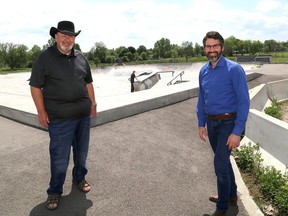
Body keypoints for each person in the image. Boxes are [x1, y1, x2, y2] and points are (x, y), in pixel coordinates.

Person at [29, 20, 97, 210]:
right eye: (64, 35)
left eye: (71, 35)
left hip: (83, 116)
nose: (68, 39)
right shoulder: (45, 57)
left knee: (81, 153)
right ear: (55, 37)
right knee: (59, 157)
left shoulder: (82, 57)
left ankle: (79, 178)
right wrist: (41, 111)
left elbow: (89, 83)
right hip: (60, 119)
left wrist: (93, 103)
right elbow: (35, 86)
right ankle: (54, 191)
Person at [196, 31, 250, 216]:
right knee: (224, 162)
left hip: (229, 122)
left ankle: (222, 207)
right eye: (208, 46)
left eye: (215, 46)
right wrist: (201, 123)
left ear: (222, 47)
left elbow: (244, 102)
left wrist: (237, 131)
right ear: (205, 49)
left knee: (219, 163)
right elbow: (202, 99)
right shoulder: (203, 71)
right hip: (211, 124)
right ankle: (231, 195)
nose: (212, 50)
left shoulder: (234, 69)